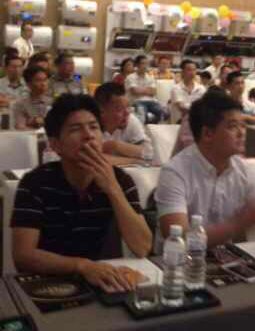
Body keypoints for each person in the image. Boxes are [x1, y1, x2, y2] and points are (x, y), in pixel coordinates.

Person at [11, 94, 152, 292]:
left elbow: (142, 247)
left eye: (94, 127)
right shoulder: (35, 183)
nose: (88, 135)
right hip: (47, 284)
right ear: (55, 144)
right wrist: (82, 266)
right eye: (75, 129)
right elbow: (23, 256)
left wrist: (112, 189)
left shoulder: (120, 180)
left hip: (99, 283)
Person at [155, 92, 255, 249]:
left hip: (226, 259)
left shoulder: (245, 170)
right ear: (208, 134)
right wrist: (239, 223)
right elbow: (179, 237)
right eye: (233, 126)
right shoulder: (175, 172)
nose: (242, 133)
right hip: (178, 260)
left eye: (243, 125)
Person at [94, 82, 154, 161]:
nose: (127, 112)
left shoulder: (130, 120)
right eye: (120, 109)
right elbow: (91, 160)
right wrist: (133, 159)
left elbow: (148, 153)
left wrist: (115, 146)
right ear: (102, 111)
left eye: (128, 106)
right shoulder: (90, 125)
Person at [125, 55, 165, 124]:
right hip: (137, 101)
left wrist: (140, 90)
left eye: (147, 64)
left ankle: (151, 126)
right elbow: (135, 91)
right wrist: (147, 90)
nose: (145, 66)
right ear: (137, 65)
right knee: (143, 117)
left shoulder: (150, 77)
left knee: (164, 113)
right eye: (143, 63)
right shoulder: (130, 77)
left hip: (151, 101)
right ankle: (145, 126)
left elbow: (153, 91)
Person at [13, 66, 52, 131]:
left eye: (45, 80)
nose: (43, 84)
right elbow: (20, 127)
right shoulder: (21, 104)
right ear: (28, 84)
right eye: (38, 80)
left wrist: (32, 122)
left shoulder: (53, 101)